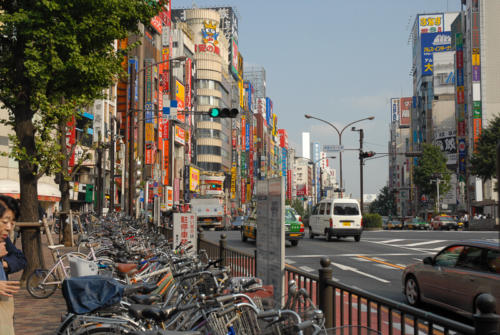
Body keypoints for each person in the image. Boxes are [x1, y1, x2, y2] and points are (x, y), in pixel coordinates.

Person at [0, 195, 26, 335]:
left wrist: (4, 264)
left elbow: (20, 258)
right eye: (5, 221)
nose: (9, 228)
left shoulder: (3, 240)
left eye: (12, 222)